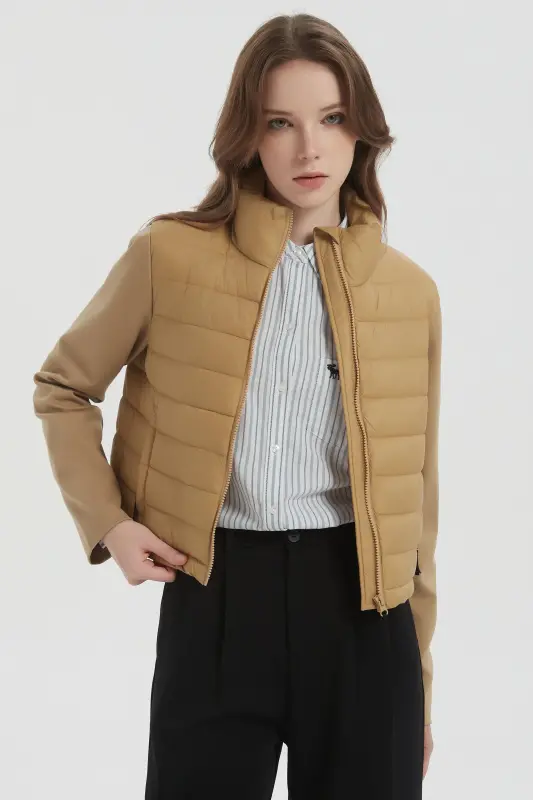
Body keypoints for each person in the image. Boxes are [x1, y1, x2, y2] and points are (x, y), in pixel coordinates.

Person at [33, 12, 442, 800]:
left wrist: (417, 676)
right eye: (279, 123)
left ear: (362, 130)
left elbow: (417, 506)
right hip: (217, 597)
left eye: (331, 119)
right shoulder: (168, 256)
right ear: (247, 136)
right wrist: (109, 523)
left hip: (364, 615)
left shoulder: (408, 292)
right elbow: (63, 388)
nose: (308, 148)